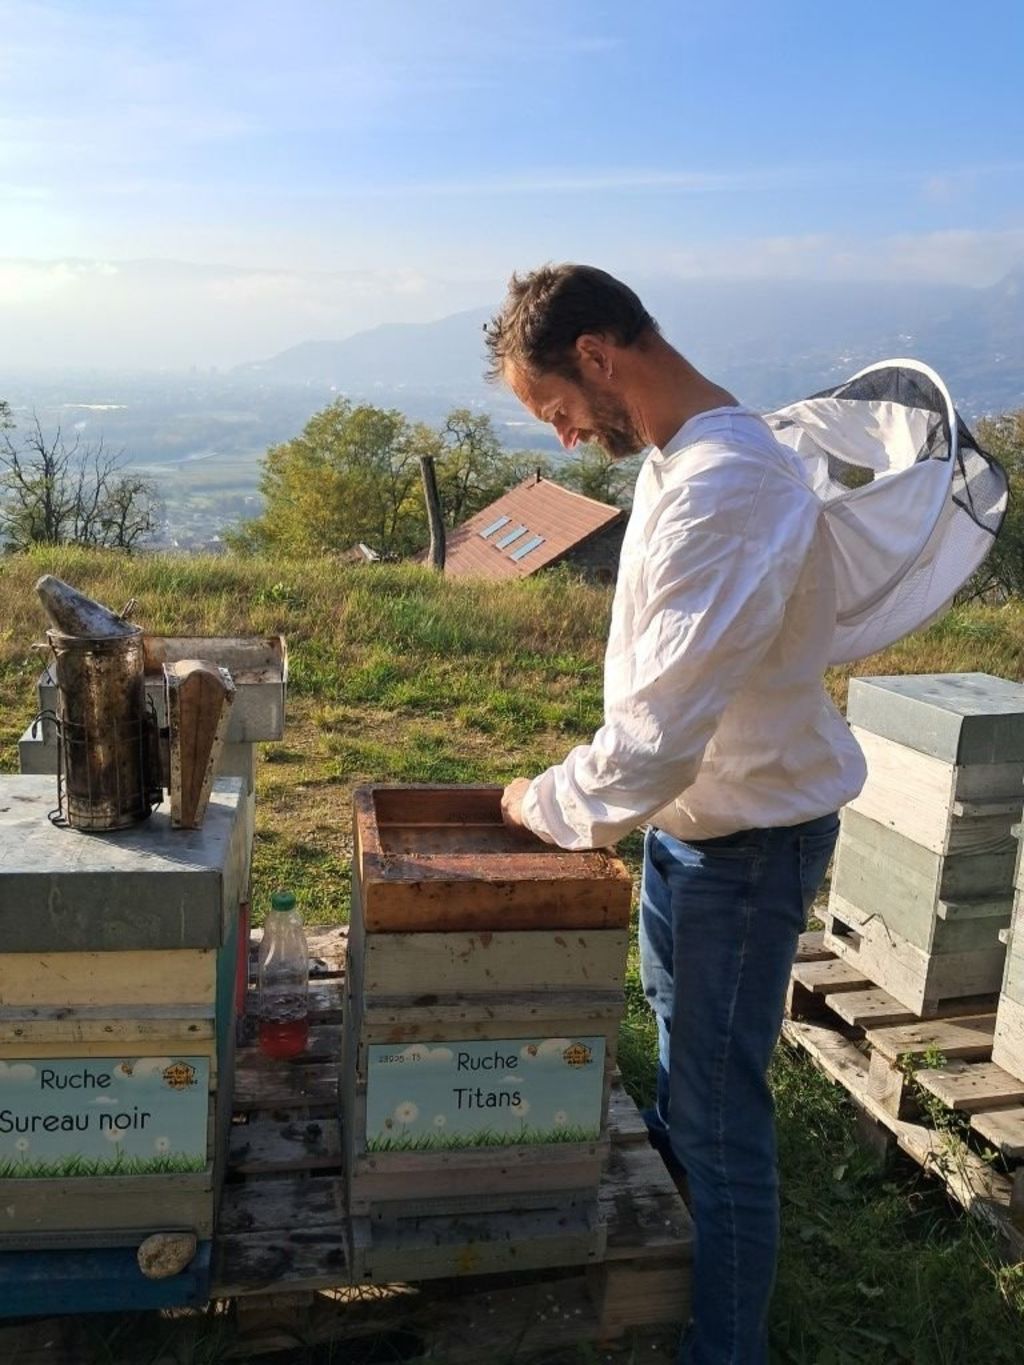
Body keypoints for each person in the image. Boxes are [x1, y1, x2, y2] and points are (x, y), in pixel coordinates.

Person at [486, 263, 868, 1365]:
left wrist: (544, 805)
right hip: (700, 830)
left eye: (556, 409)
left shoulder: (726, 486)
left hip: (742, 846)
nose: (562, 438)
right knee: (685, 1084)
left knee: (717, 1116)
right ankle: (663, 1285)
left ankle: (722, 1346)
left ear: (599, 357)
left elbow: (657, 730)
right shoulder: (681, 461)